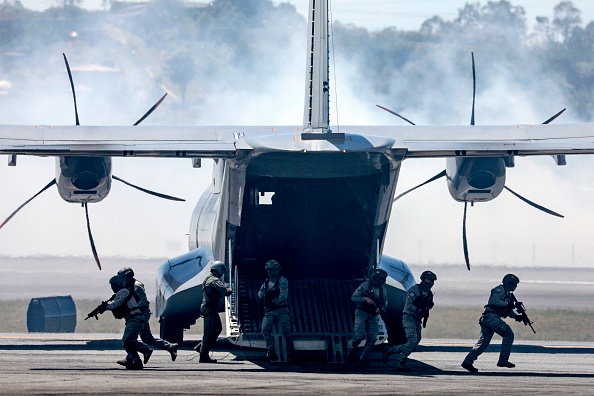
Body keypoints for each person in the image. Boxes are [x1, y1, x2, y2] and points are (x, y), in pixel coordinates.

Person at [461, 274, 524, 373]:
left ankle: (468, 362)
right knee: (508, 334)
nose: (515, 286)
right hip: (491, 317)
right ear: (509, 284)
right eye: (514, 284)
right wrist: (510, 305)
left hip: (489, 319)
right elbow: (494, 302)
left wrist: (516, 316)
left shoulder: (508, 295)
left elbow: (506, 309)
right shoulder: (500, 290)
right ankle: (503, 360)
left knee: (483, 344)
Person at [116, 267, 178, 365]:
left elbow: (143, 301)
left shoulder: (136, 286)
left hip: (139, 315)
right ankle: (170, 347)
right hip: (140, 315)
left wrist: (131, 309)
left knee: (128, 340)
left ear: (127, 276)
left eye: (122, 277)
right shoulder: (128, 285)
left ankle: (137, 355)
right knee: (147, 338)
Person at [383, 270, 437, 372]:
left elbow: (427, 305)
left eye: (432, 281)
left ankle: (391, 350)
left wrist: (427, 308)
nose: (431, 283)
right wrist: (419, 309)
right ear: (423, 280)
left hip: (417, 319)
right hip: (409, 317)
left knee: (414, 343)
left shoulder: (429, 294)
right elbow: (408, 305)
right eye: (429, 280)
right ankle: (400, 363)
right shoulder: (414, 290)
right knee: (412, 341)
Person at [105, 274, 153, 370]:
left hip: (135, 318)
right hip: (133, 318)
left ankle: (145, 350)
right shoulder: (123, 291)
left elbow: (115, 305)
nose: (112, 288)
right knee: (127, 342)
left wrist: (105, 307)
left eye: (113, 285)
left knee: (127, 341)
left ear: (118, 284)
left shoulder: (123, 292)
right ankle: (137, 362)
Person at [345, 268, 388, 365]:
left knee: (372, 338)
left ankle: (363, 358)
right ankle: (350, 352)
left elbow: (384, 304)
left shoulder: (382, 291)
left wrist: (380, 309)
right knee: (359, 335)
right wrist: (364, 298)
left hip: (373, 315)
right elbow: (354, 298)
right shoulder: (365, 286)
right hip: (361, 312)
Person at [258, 260, 295, 362]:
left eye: (271, 269)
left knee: (286, 332)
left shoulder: (282, 281)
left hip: (281, 310)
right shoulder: (266, 281)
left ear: (277, 269)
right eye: (267, 270)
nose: (269, 272)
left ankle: (292, 353)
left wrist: (274, 302)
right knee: (265, 329)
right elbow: (260, 292)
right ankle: (271, 352)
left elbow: (283, 296)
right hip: (270, 311)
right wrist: (262, 295)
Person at [199, 261, 233, 363]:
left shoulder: (207, 278)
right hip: (210, 309)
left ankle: (201, 348)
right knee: (209, 333)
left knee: (217, 329)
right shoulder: (215, 280)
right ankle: (203, 356)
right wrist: (230, 289)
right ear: (218, 270)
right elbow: (225, 291)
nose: (223, 273)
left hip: (209, 308)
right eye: (222, 270)